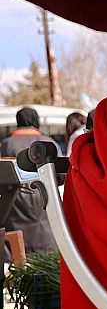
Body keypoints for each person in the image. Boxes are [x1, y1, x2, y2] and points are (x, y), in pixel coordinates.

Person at [1, 107, 62, 262]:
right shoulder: (49, 142)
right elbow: (62, 176)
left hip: (16, 206)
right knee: (47, 260)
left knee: (19, 257)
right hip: (46, 203)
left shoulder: (6, 145)